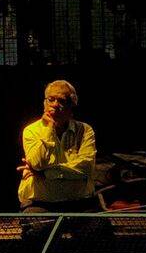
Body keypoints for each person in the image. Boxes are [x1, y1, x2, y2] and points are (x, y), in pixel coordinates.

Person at [18, 79, 97, 210]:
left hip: (78, 200)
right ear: (44, 103)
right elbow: (37, 164)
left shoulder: (85, 130)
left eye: (61, 101)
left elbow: (86, 168)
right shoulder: (31, 130)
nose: (55, 104)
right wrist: (49, 129)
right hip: (41, 202)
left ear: (71, 105)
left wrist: (46, 174)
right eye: (51, 99)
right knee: (35, 220)